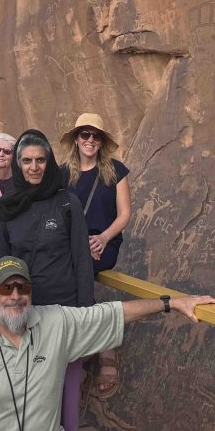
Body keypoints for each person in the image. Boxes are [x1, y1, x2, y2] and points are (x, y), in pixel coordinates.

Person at [0, 256, 215, 431]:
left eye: (22, 287)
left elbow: (112, 313)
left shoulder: (55, 322)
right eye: (5, 288)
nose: (15, 296)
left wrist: (172, 303)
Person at [0, 130, 93, 431]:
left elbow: (81, 260)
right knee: (24, 401)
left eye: (40, 160)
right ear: (18, 165)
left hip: (64, 316)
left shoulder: (67, 203)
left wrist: (85, 318)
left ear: (49, 163)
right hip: (20, 316)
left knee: (66, 403)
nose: (34, 167)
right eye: (26, 161)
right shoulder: (6, 208)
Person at [59, 112, 133, 399]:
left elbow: (125, 214)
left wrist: (103, 237)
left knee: (79, 268)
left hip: (103, 243)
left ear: (101, 141)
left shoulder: (115, 171)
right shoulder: (64, 173)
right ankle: (93, 350)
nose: (90, 140)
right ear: (76, 139)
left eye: (95, 135)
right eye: (84, 134)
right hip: (71, 243)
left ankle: (98, 353)